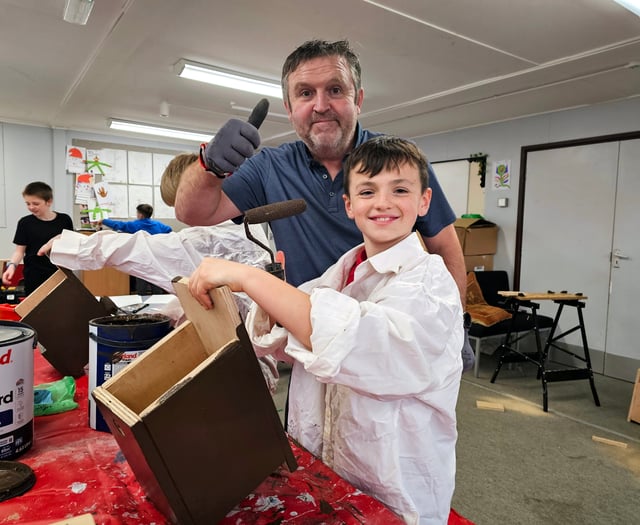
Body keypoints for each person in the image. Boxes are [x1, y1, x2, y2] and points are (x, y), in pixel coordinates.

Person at [188, 136, 463, 524]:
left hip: (397, 489)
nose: (383, 202)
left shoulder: (430, 285)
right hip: (335, 469)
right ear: (349, 205)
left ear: (424, 202)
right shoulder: (344, 271)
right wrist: (272, 293)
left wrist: (251, 280)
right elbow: (291, 335)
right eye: (367, 191)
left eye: (399, 190)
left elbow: (362, 344)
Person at [172, 39, 474, 372]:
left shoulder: (398, 164)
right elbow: (192, 213)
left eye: (335, 90)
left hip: (390, 344)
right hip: (309, 342)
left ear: (357, 99)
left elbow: (445, 246)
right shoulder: (269, 167)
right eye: (305, 93)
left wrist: (454, 324)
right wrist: (209, 166)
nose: (320, 105)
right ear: (288, 108)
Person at [2, 181, 73, 295]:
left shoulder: (64, 220)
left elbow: (71, 245)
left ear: (49, 201)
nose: (31, 207)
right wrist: (11, 266)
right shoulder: (25, 223)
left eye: (35, 203)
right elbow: (19, 251)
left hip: (60, 274)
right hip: (34, 276)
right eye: (28, 203)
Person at [98, 203, 172, 234]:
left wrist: (104, 220)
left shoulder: (135, 225)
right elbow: (169, 229)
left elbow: (119, 225)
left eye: (137, 213)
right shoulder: (158, 224)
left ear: (141, 215)